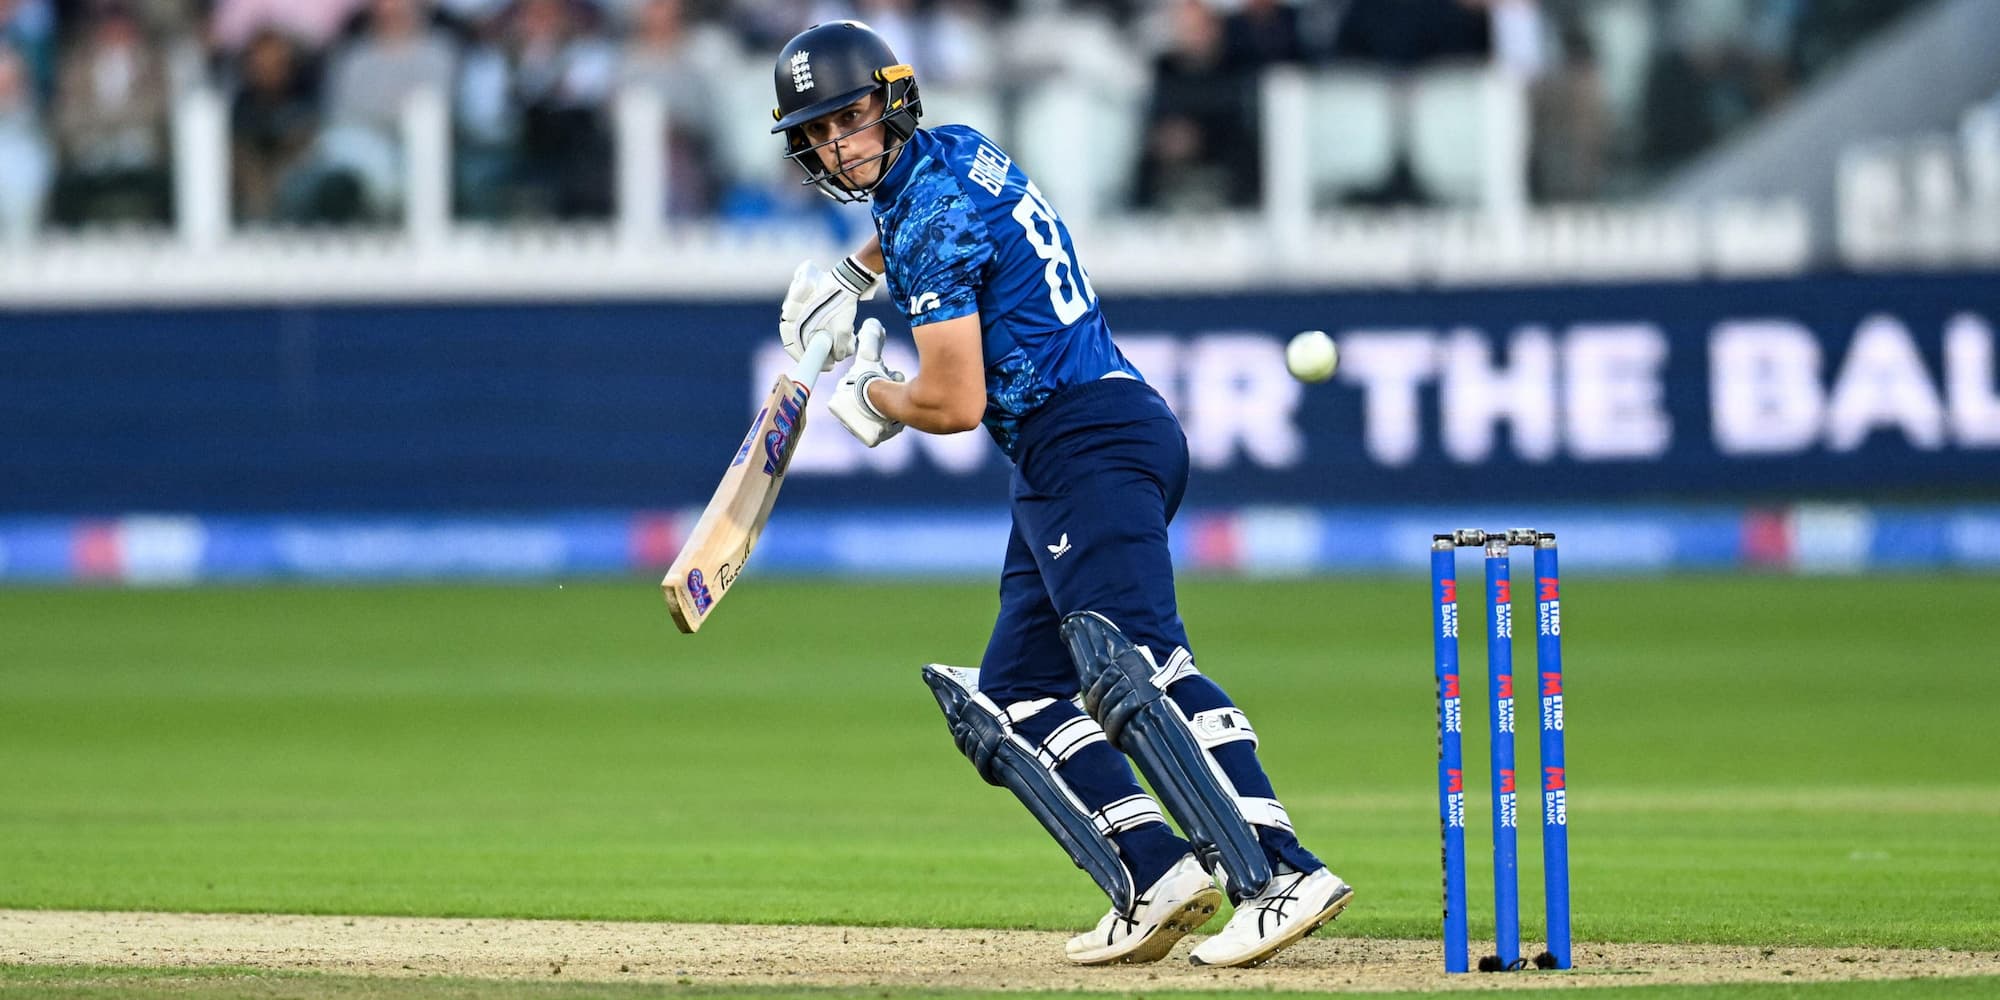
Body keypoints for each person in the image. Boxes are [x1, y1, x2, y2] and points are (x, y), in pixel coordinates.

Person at [763, 19, 1352, 969]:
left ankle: (1283, 872)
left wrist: (873, 393)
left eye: (853, 116)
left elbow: (955, 401)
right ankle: (1157, 874)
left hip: (1085, 440)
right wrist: (851, 276)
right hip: (1074, 446)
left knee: (1136, 662)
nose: (842, 144)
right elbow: (923, 223)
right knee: (1017, 695)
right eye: (820, 133)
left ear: (892, 98)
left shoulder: (927, 219)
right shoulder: (956, 152)